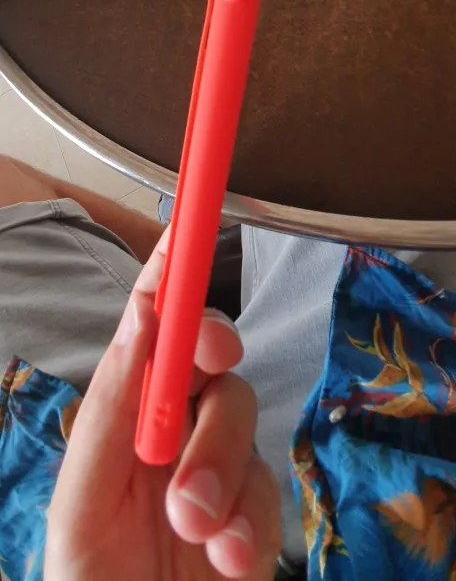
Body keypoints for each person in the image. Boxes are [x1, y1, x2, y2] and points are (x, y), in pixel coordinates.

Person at [2, 154, 456, 580]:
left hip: (76, 516)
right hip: (383, 505)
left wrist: (196, 268)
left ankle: (215, 244)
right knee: (355, 152)